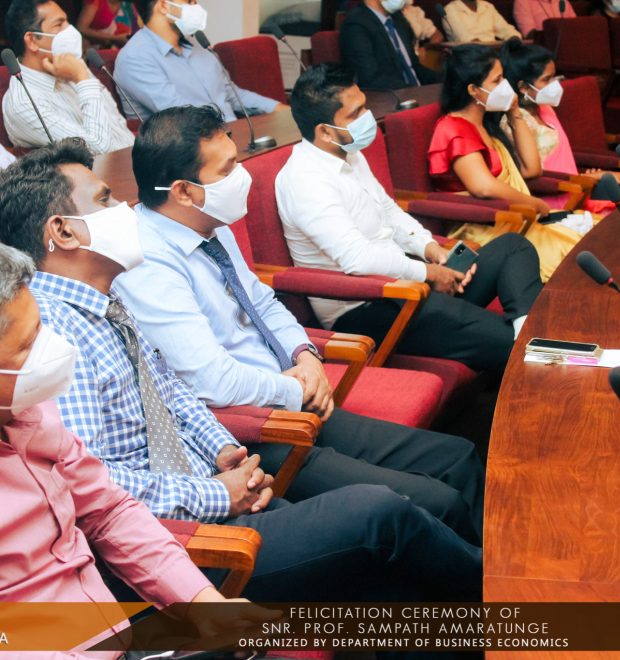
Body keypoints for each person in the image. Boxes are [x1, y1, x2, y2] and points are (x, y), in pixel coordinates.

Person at [0, 138, 482, 605]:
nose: (125, 209)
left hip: (213, 488)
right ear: (63, 232)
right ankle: (515, 599)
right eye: (106, 199)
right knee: (381, 512)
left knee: (391, 581)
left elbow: (171, 391)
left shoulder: (106, 300)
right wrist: (215, 494)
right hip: (182, 539)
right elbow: (99, 487)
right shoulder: (49, 333)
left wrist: (225, 451)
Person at [114, 104, 485, 546]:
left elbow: (263, 303)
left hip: (292, 394)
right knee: (436, 500)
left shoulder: (208, 224)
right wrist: (297, 390)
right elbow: (210, 380)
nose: (242, 176)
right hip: (253, 429)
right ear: (183, 191)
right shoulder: (148, 261)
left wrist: (304, 355)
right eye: (228, 169)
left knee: (457, 457)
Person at [0, 242, 275, 653]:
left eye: (42, 329)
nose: (51, 350)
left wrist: (202, 605)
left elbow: (108, 511)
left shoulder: (32, 414)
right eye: (27, 346)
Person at [276, 63, 542, 374]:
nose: (367, 117)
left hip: (409, 282)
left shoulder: (349, 153)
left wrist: (432, 250)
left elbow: (389, 212)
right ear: (324, 131)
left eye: (365, 106)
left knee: (513, 247)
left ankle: (527, 332)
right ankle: (523, 345)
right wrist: (428, 273)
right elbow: (358, 259)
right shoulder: (305, 180)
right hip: (367, 308)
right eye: (355, 113)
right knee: (508, 344)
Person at [428, 44, 583, 281]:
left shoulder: (487, 123)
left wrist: (514, 112)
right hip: (485, 230)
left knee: (587, 238)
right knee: (572, 256)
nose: (505, 86)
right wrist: (533, 203)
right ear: (473, 90)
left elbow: (532, 168)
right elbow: (484, 187)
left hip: (515, 221)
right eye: (497, 80)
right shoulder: (453, 128)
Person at [498, 38, 620, 198]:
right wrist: (589, 178)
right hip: (554, 195)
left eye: (554, 77)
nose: (554, 84)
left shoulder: (545, 108)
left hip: (577, 188)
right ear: (523, 87)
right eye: (546, 79)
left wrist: (591, 176)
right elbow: (530, 175)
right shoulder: (515, 122)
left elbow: (562, 160)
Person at [113, 0, 287, 121]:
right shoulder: (135, 57)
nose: (197, 8)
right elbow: (180, 115)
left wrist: (278, 108)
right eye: (189, 2)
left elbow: (232, 95)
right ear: (164, 6)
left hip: (233, 138)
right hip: (190, 152)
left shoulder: (199, 46)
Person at [2, 0, 135, 153]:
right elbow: (99, 150)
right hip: (108, 167)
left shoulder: (71, 64)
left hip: (135, 157)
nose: (71, 31)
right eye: (59, 25)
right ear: (32, 41)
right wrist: (82, 78)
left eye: (67, 22)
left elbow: (117, 123)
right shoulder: (24, 104)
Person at [339, 0, 439, 90]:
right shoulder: (355, 25)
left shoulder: (398, 18)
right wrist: (416, 92)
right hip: (393, 98)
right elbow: (370, 80)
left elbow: (414, 67)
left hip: (416, 94)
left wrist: (444, 80)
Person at [441, 0, 521, 43]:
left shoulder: (487, 6)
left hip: (495, 55)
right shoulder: (450, 10)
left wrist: (514, 39)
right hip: (468, 59)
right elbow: (466, 40)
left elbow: (507, 30)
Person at [76, 0, 142, 48]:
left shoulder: (122, 4)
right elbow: (81, 28)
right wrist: (114, 38)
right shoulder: (96, 1)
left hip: (103, 42)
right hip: (86, 44)